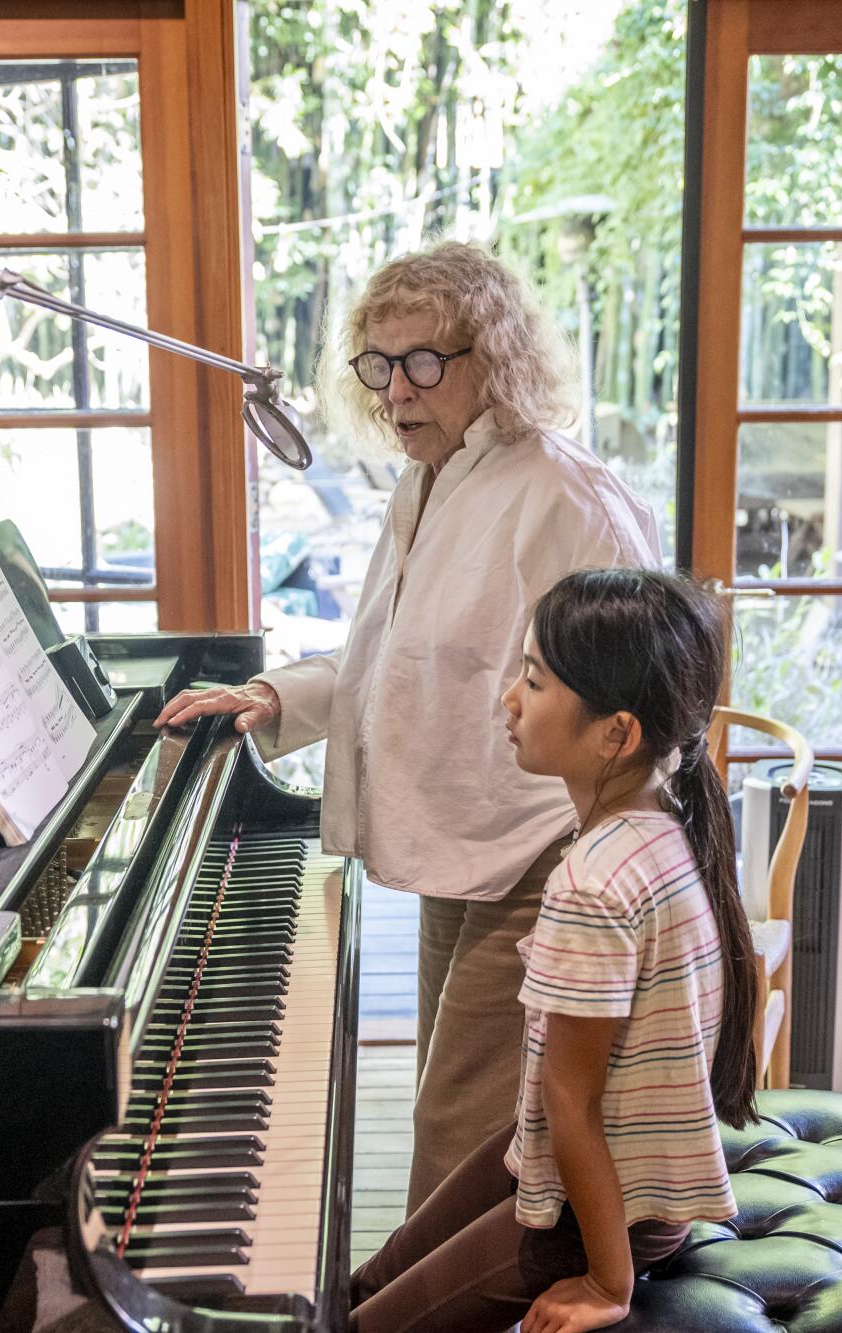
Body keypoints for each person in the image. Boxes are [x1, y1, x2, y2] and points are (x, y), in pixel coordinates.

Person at [156, 243, 661, 1208]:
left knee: (461, 1129)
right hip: (464, 838)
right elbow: (393, 660)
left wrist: (601, 874)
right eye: (379, 364)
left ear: (497, 358)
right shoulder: (427, 481)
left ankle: (413, 1304)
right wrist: (271, 698)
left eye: (425, 360)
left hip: (545, 856)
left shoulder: (563, 494)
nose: (397, 389)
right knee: (458, 1097)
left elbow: (643, 697)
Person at [346, 568, 761, 1333]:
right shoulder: (666, 821)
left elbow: (576, 1102)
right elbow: (563, 1105)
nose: (509, 698)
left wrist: (608, 1281)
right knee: (370, 1277)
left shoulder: (592, 883)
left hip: (605, 1219)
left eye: (534, 682)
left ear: (617, 733)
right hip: (600, 1174)